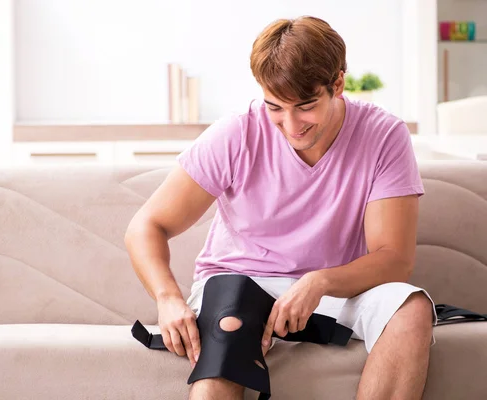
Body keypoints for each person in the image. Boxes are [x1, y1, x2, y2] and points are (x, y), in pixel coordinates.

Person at [125, 15, 437, 400]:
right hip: (240, 280)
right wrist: (168, 297)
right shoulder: (237, 133)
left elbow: (394, 259)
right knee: (228, 330)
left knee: (413, 309)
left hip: (337, 288)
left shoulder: (384, 135)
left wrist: (320, 281)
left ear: (337, 84)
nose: (291, 125)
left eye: (305, 106)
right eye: (275, 107)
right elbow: (147, 225)